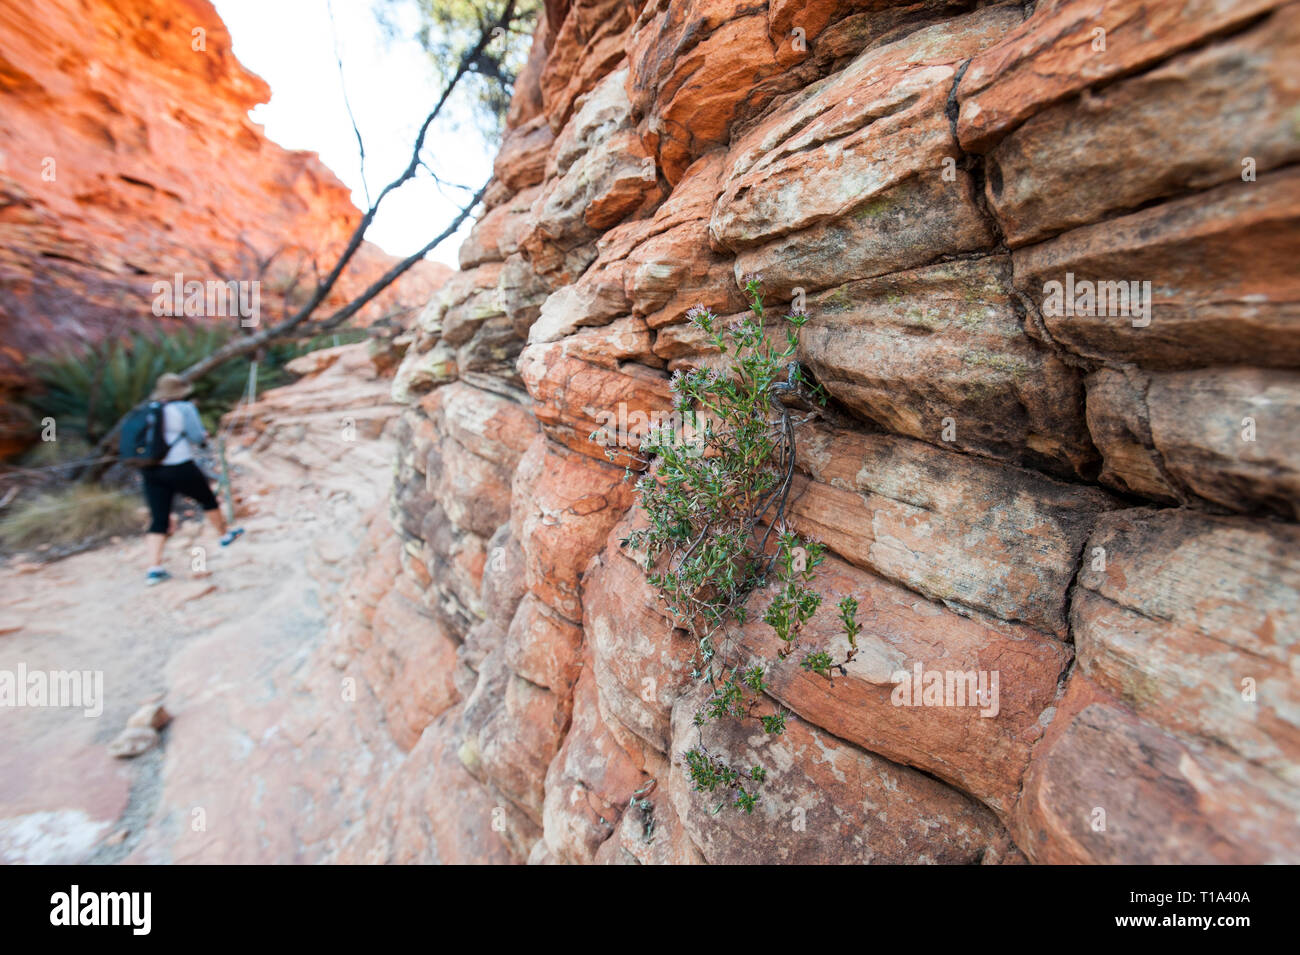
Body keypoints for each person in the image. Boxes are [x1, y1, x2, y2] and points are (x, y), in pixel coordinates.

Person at [141, 373, 243, 585]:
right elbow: (196, 436)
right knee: (207, 499)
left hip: (150, 469)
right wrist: (203, 438)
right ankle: (224, 535)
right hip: (179, 465)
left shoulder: (147, 410)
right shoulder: (184, 409)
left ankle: (154, 568)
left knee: (159, 518)